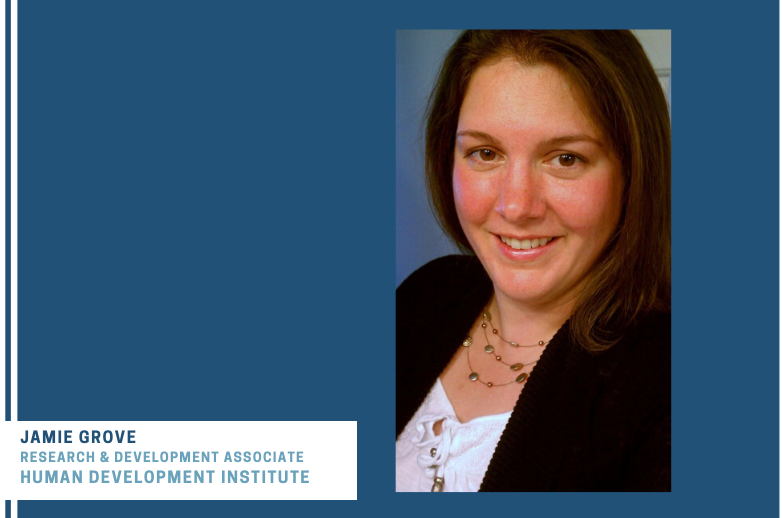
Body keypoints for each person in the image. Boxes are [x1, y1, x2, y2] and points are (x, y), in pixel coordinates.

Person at [396, 30, 671, 492]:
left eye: (565, 158)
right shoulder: (427, 293)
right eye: (485, 153)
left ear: (633, 172)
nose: (517, 206)